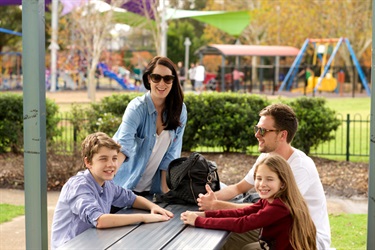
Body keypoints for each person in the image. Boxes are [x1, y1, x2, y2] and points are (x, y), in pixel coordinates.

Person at [197, 103, 331, 250]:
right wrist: (208, 199)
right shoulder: (267, 158)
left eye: (263, 130)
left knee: (228, 233)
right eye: (257, 129)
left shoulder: (300, 167)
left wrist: (216, 207)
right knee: (223, 230)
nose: (257, 134)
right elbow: (237, 188)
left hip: (304, 238)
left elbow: (267, 211)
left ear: (282, 135)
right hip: (277, 226)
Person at [51, 132, 173, 250]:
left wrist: (152, 207)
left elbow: (132, 198)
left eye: (114, 158)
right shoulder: (79, 186)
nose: (111, 164)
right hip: (70, 246)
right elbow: (99, 220)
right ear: (88, 162)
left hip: (91, 243)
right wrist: (144, 217)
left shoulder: (107, 184)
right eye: (103, 159)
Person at [181, 155, 317, 250]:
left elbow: (243, 223)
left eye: (269, 179)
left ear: (282, 183)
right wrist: (205, 214)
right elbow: (241, 212)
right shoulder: (270, 200)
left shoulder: (280, 206)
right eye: (258, 178)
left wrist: (199, 221)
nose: (262, 184)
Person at [112, 56, 187, 196]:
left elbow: (172, 155)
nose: (162, 83)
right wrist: (106, 178)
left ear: (173, 81)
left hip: (152, 190)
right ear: (148, 79)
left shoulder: (179, 110)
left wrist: (166, 194)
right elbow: (123, 146)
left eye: (167, 79)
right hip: (122, 187)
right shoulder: (136, 108)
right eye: (156, 77)